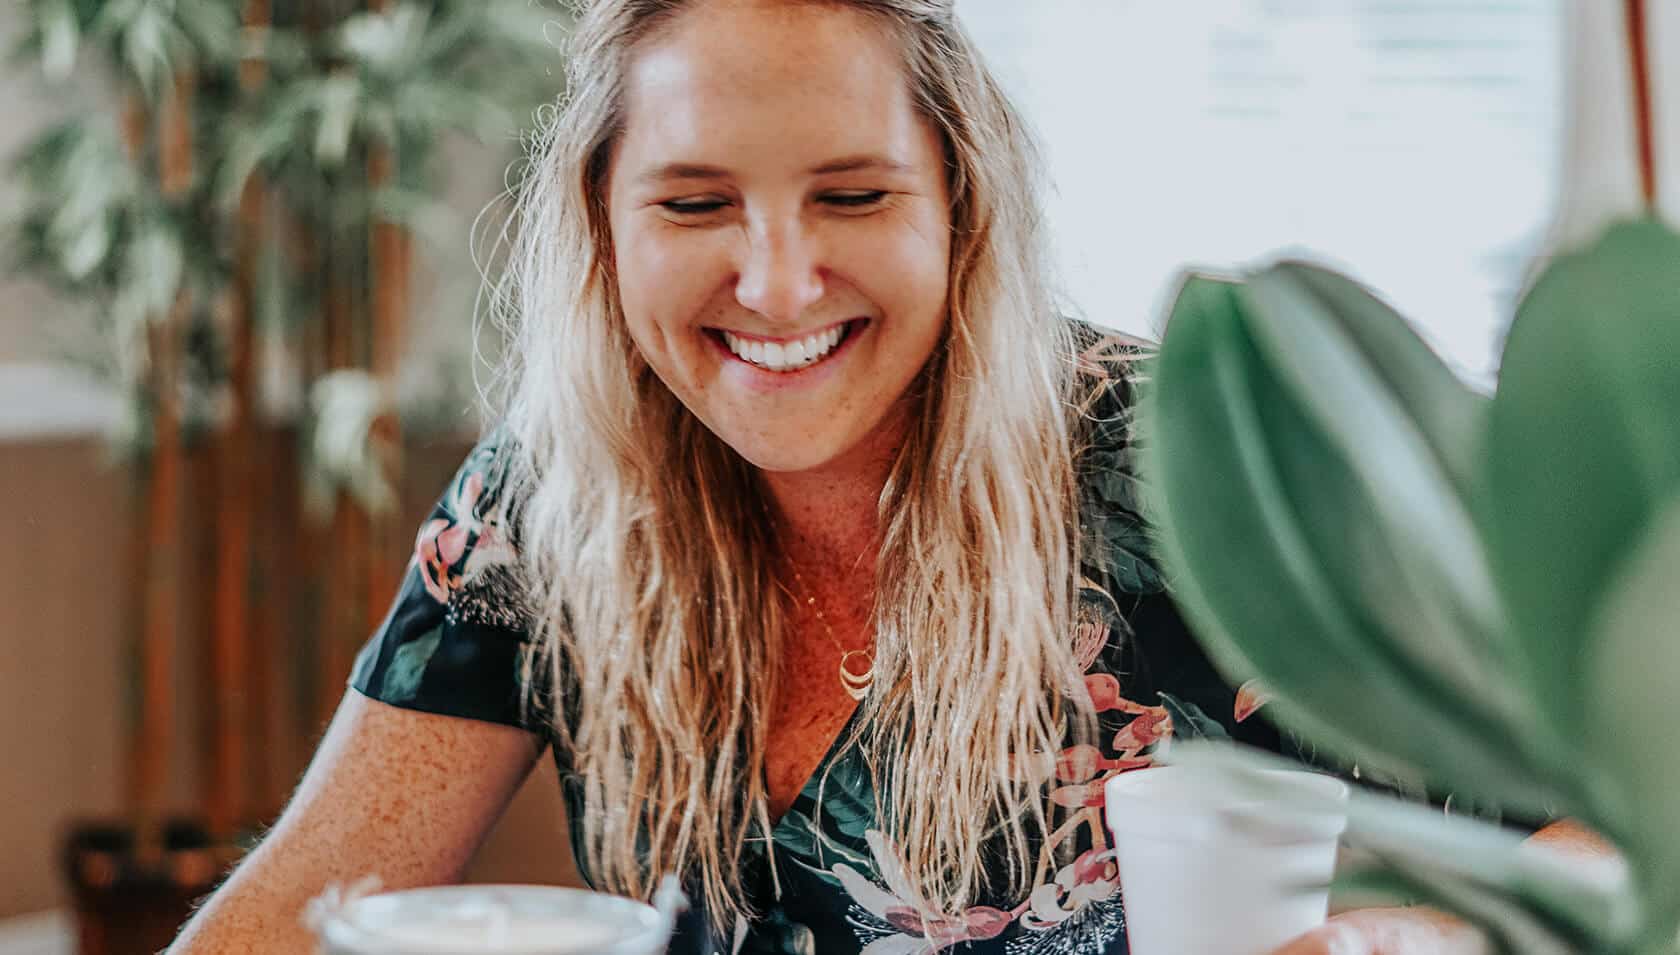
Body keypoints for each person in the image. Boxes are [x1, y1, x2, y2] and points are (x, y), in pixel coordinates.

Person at [167, 2, 1597, 953]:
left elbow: (1609, 852)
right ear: (602, 224)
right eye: (694, 200)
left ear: (962, 212)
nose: (778, 280)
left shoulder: (1204, 470)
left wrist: (1425, 940)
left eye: (854, 195)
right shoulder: (543, 507)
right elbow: (287, 921)